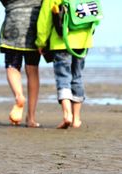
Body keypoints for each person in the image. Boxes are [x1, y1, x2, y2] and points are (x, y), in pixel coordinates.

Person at [35, 0, 94, 129]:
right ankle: (76, 119)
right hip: (83, 42)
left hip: (61, 42)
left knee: (63, 78)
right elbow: (94, 17)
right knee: (77, 77)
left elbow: (44, 21)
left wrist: (41, 42)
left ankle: (67, 115)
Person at [0, 0, 42, 127]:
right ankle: (31, 118)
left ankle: (19, 96)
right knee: (32, 69)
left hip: (13, 22)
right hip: (35, 24)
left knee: (12, 65)